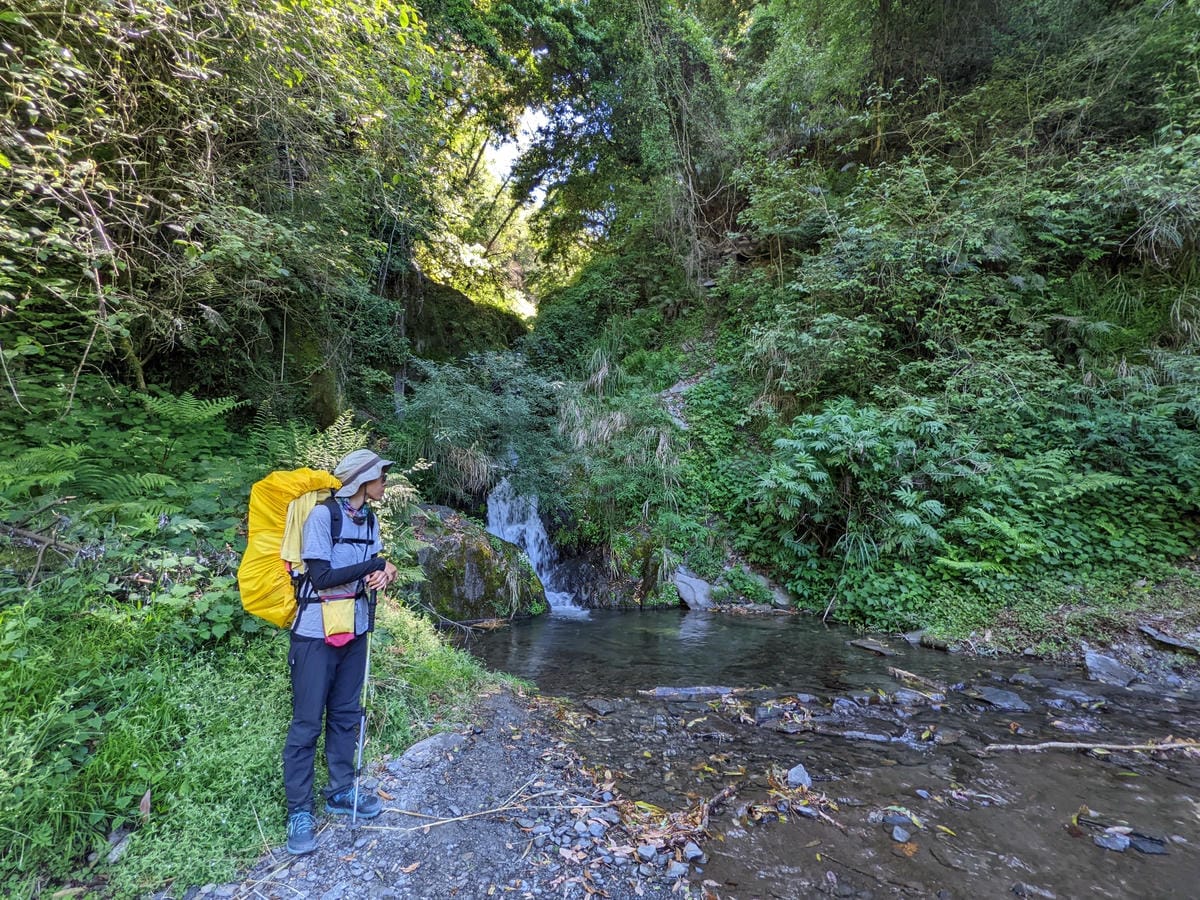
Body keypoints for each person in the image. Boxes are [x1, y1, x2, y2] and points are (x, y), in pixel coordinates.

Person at [283, 449, 399, 856]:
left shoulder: (370, 519)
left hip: (356, 628)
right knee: (307, 723)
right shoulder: (322, 517)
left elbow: (376, 568)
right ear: (362, 481)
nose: (385, 482)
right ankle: (298, 810)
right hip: (315, 634)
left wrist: (386, 570)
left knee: (346, 715)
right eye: (381, 476)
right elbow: (322, 576)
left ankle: (340, 791)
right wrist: (373, 564)